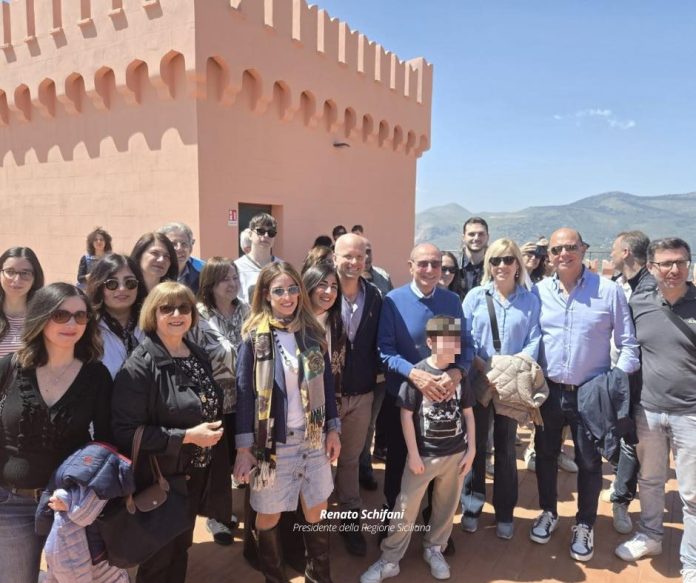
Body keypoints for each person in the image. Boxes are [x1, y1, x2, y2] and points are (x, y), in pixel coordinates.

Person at [530, 227, 639, 562]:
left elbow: (629, 344)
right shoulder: (537, 292)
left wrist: (613, 381)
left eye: (570, 247)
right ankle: (549, 512)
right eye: (556, 249)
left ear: (583, 249)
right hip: (549, 391)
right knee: (545, 455)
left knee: (589, 462)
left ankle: (584, 524)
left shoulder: (608, 291)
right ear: (549, 256)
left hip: (591, 392)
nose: (563, 253)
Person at [111, 282, 231, 583]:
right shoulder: (140, 365)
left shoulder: (197, 353)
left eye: (184, 308)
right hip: (161, 478)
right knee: (158, 558)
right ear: (153, 315)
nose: (177, 314)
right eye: (167, 308)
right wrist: (186, 436)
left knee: (180, 550)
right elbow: (125, 432)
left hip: (195, 473)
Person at [234, 262, 341, 583]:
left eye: (293, 289)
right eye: (279, 290)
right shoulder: (253, 339)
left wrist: (333, 429)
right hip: (272, 444)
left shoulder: (311, 334)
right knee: (268, 514)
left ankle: (319, 577)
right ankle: (274, 578)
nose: (287, 296)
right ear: (266, 295)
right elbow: (244, 395)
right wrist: (243, 449)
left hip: (313, 438)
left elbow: (327, 386)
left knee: (316, 509)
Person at [0, 283, 112, 583]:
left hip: (67, 506)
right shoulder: (10, 367)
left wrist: (83, 496)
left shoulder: (96, 376)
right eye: (60, 315)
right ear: (41, 317)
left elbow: (106, 443)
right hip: (10, 504)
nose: (72, 323)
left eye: (80, 316)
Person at [361, 316, 475, 583]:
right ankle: (390, 559)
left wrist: (471, 450)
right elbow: (405, 415)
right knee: (406, 506)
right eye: (444, 340)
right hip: (424, 455)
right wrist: (412, 454)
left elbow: (469, 414)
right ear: (430, 342)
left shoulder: (459, 376)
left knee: (446, 506)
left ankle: (435, 548)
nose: (450, 346)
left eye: (454, 341)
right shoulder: (418, 375)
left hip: (456, 455)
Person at [615, 237, 696, 583]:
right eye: (665, 263)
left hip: (690, 413)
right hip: (648, 410)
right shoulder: (639, 303)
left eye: (681, 262)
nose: (674, 269)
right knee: (650, 481)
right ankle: (650, 536)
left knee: (692, 493)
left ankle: (691, 561)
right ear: (651, 267)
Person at [378, 243, 472, 520]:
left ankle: (433, 524)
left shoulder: (451, 301)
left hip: (442, 398)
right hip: (403, 397)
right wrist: (414, 374)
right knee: (399, 461)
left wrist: (458, 372)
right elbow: (385, 350)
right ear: (410, 267)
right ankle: (394, 520)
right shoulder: (393, 301)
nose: (430, 269)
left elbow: (465, 344)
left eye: (436, 264)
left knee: (439, 465)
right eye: (423, 263)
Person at [460, 239, 540, 541]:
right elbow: (464, 337)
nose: (502, 265)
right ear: (488, 265)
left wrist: (513, 367)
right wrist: (481, 364)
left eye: (508, 259)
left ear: (517, 263)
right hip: (479, 380)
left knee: (506, 448)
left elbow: (535, 339)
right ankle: (471, 507)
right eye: (495, 260)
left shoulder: (530, 300)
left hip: (511, 385)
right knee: (476, 445)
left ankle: (505, 512)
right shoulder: (475, 297)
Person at [191, 257, 250, 545]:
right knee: (218, 463)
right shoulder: (198, 316)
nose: (232, 283)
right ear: (210, 283)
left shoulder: (246, 310)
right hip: (215, 402)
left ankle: (253, 511)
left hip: (246, 399)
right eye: (225, 278)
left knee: (244, 456)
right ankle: (218, 517)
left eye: (235, 277)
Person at [332, 234, 382, 556]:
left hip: (362, 393)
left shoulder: (375, 296)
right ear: (334, 258)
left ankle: (350, 518)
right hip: (325, 395)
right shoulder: (321, 291)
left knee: (350, 459)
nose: (354, 262)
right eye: (347, 256)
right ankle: (312, 522)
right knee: (319, 461)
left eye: (359, 256)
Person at [605, 230, 656, 534]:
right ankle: (620, 485)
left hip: (639, 380)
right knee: (616, 437)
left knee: (629, 440)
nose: (610, 254)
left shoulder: (650, 290)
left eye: (613, 249)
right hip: (617, 376)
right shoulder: (619, 285)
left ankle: (621, 499)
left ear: (625, 252)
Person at [359, 240, 393, 490]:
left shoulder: (383, 278)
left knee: (369, 424)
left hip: (377, 368)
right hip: (349, 370)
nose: (364, 257)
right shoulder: (336, 282)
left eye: (368, 251)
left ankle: (364, 469)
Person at [86, 254, 147, 378]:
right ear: (99, 287)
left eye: (130, 282)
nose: (122, 289)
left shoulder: (151, 324)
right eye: (112, 283)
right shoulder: (86, 328)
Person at [0, 247, 45, 358]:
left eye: (25, 273)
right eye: (10, 272)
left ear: (35, 277)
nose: (16, 280)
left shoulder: (44, 316)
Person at [235, 213, 282, 303]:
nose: (266, 235)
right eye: (261, 231)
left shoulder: (282, 267)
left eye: (271, 233)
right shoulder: (237, 267)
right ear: (250, 234)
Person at [158, 222, 203, 294]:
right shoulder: (155, 272)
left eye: (184, 244)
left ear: (191, 247)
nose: (179, 248)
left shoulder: (202, 272)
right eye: (173, 244)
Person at [460, 217, 489, 297]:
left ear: (487, 237)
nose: (476, 238)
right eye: (471, 234)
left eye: (481, 234)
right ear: (463, 238)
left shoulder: (494, 267)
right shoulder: (452, 267)